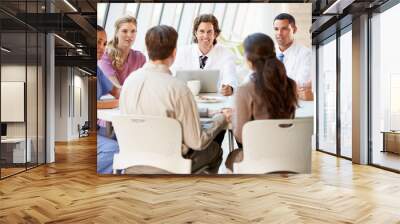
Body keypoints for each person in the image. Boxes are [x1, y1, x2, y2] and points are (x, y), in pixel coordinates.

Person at [119, 25, 228, 174]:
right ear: (174, 52)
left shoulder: (129, 82)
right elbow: (197, 141)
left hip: (133, 162)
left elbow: (157, 110)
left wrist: (208, 112)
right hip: (171, 165)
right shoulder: (179, 89)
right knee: (215, 150)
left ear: (147, 48)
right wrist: (221, 118)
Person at [225, 33, 298, 172]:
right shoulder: (290, 84)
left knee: (231, 157)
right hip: (287, 155)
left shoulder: (245, 90)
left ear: (248, 58)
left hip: (257, 157)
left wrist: (234, 117)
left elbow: (240, 136)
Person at [173, 14, 237, 96]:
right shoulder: (182, 52)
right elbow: (173, 75)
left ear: (215, 34)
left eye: (209, 32)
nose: (205, 36)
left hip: (214, 100)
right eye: (202, 31)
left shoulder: (226, 54)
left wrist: (230, 88)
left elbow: (230, 76)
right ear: (196, 33)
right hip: (187, 97)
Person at [273, 13, 313, 101]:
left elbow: (301, 84)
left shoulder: (306, 54)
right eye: (276, 29)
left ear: (294, 30)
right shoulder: (268, 52)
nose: (279, 33)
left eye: (284, 29)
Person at [96, 25, 119, 174]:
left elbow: (116, 91)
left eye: (104, 43)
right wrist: (117, 102)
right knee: (115, 148)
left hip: (98, 128)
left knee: (125, 137)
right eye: (98, 42)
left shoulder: (97, 70)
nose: (102, 47)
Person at [98, 16, 146, 87]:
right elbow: (115, 87)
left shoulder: (140, 58)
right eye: (125, 31)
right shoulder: (105, 56)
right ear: (117, 33)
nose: (129, 35)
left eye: (133, 31)